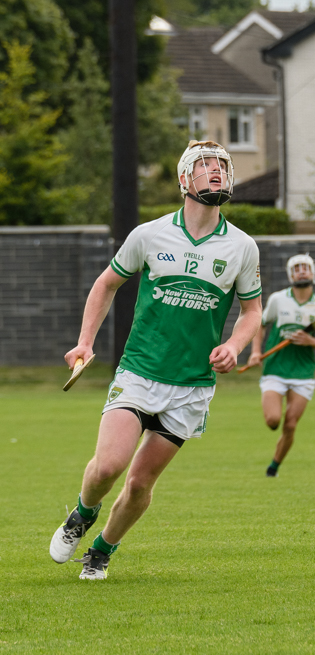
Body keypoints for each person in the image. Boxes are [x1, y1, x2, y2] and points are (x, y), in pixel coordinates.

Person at [49, 140, 262, 579]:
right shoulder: (149, 235)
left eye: (222, 165)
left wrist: (236, 345)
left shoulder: (241, 247)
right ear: (185, 179)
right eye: (206, 166)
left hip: (191, 387)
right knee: (109, 465)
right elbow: (106, 284)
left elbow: (253, 311)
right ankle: (83, 514)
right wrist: (85, 342)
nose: (216, 172)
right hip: (140, 372)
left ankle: (103, 549)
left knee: (141, 482)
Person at [247, 255, 315, 477]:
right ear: (290, 274)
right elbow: (261, 326)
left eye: (306, 268)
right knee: (273, 421)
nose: (302, 272)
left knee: (291, 424)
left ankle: (273, 467)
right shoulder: (277, 299)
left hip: (303, 374)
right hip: (275, 370)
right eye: (297, 269)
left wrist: (309, 340)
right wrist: (256, 352)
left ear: (313, 273)